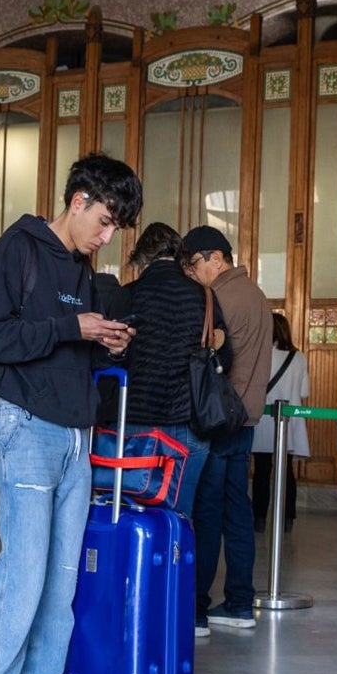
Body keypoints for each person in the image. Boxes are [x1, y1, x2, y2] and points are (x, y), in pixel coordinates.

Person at [0, 153, 141, 674]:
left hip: (75, 435)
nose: (106, 238)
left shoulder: (82, 270)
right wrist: (74, 328)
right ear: (78, 199)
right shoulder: (18, 249)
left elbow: (68, 343)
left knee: (60, 577)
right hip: (25, 427)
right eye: (104, 222)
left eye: (114, 230)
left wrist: (104, 341)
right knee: (24, 568)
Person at [182, 225, 272, 637]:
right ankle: (238, 602)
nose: (192, 273)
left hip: (218, 418)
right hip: (247, 419)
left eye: (194, 265)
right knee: (237, 512)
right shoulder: (257, 295)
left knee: (207, 511)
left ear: (215, 258)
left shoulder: (217, 297)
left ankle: (197, 608)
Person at [103, 222, 223, 518]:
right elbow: (224, 359)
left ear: (142, 259)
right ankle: (176, 563)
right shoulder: (205, 297)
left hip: (133, 426)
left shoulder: (126, 296)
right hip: (187, 425)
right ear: (181, 257)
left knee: (129, 512)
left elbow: (108, 360)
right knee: (179, 518)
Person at [250, 312, 310, 534]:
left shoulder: (260, 355)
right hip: (289, 420)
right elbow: (305, 392)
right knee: (287, 472)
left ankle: (259, 518)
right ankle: (287, 520)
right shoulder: (299, 358)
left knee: (262, 471)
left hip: (264, 420)